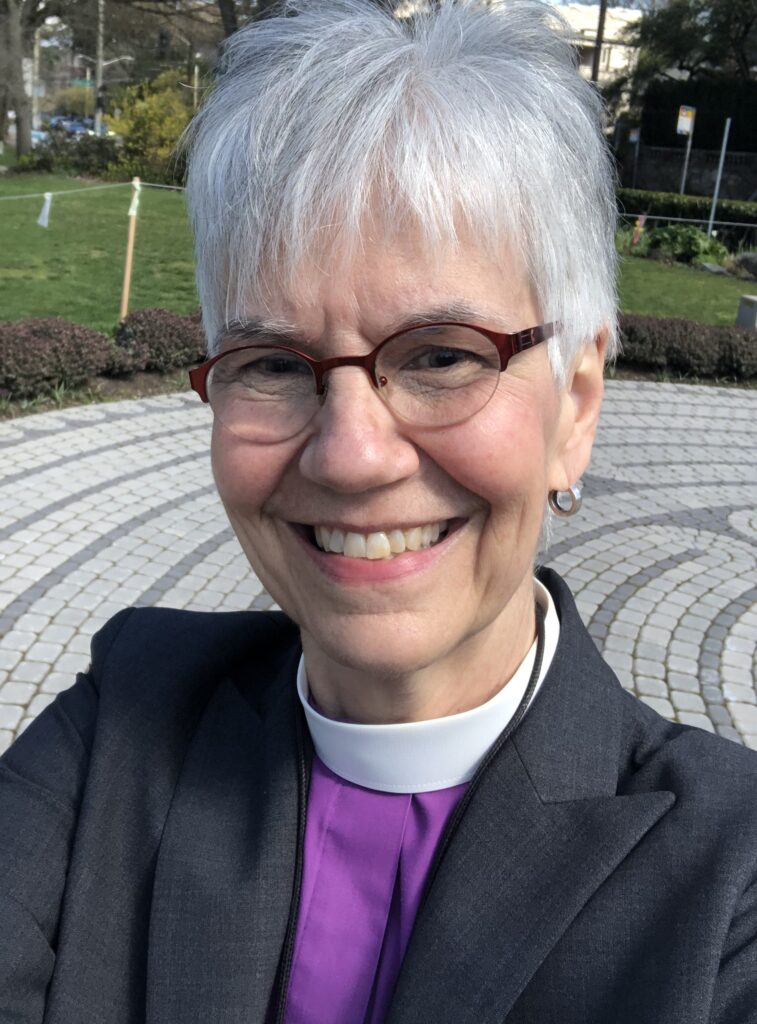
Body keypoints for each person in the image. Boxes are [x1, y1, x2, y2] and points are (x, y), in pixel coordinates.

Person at [2, 2, 756, 1022]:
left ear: (575, 407)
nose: (351, 456)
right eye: (273, 363)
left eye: (441, 355)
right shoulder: (121, 721)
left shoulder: (728, 875)